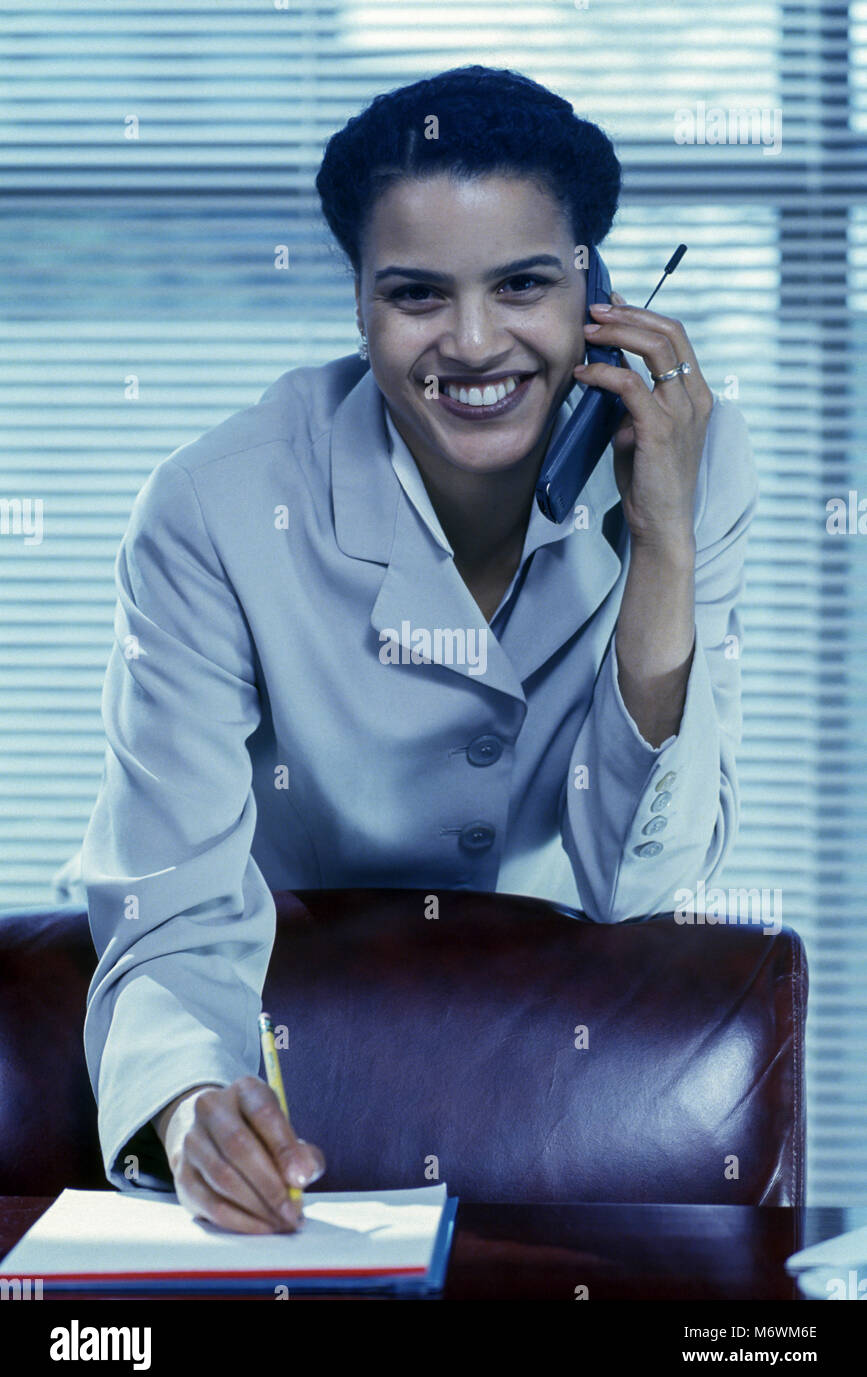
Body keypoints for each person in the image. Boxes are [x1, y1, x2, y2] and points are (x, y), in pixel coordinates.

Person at [66, 65, 758, 1234]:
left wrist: (664, 541)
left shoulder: (690, 463)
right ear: (357, 303)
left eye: (525, 284)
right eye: (417, 294)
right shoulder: (213, 507)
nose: (476, 342)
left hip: (562, 1074)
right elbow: (171, 899)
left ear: (600, 290)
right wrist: (188, 1105)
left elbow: (639, 878)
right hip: (283, 1052)